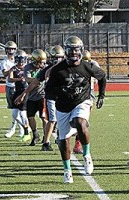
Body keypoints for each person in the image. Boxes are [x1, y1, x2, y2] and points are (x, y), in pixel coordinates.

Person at [45, 36, 106, 183]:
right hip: (63, 107)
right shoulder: (57, 70)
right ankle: (67, 170)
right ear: (66, 51)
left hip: (82, 101)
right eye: (71, 50)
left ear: (81, 50)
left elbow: (102, 76)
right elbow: (48, 91)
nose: (74, 53)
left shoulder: (87, 66)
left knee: (80, 122)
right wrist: (62, 91)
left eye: (76, 50)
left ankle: (87, 156)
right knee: (64, 140)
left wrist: (101, 95)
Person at [15, 45, 65, 150]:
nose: (40, 64)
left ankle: (50, 139)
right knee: (40, 118)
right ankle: (42, 138)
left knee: (48, 118)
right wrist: (23, 94)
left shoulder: (64, 66)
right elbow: (32, 81)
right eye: (39, 62)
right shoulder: (39, 68)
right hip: (43, 96)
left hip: (51, 96)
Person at [72, 50, 100, 154]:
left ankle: (78, 142)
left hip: (89, 92)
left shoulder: (93, 64)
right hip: (74, 92)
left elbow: (99, 77)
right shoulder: (73, 64)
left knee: (83, 119)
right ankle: (66, 134)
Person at [22, 49, 48, 146]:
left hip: (43, 95)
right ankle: (35, 134)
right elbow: (27, 79)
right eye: (39, 62)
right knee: (30, 117)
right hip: (31, 96)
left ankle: (46, 136)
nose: (41, 64)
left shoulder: (45, 68)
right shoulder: (28, 67)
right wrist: (39, 79)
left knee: (44, 117)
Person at [1, 41, 25, 138]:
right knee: (13, 109)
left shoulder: (20, 59)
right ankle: (14, 128)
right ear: (6, 50)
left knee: (20, 110)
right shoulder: (5, 62)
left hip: (20, 87)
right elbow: (5, 74)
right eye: (9, 49)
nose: (11, 51)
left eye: (13, 49)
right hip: (11, 86)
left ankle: (20, 129)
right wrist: (12, 69)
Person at [8, 50, 31, 140]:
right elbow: (10, 79)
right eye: (19, 60)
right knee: (14, 114)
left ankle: (25, 131)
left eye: (22, 60)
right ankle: (25, 127)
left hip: (25, 92)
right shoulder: (13, 68)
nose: (21, 62)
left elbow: (30, 78)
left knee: (23, 114)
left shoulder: (27, 68)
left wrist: (26, 79)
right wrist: (18, 79)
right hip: (17, 91)